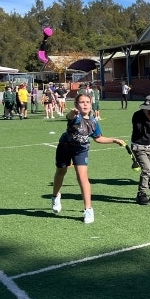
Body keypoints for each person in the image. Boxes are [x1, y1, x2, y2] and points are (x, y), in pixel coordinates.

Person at [50, 92, 125, 224]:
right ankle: (55, 196)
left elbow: (98, 138)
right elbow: (69, 116)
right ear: (76, 105)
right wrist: (73, 113)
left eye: (87, 102)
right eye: (81, 102)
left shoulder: (94, 122)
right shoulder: (75, 117)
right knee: (61, 172)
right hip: (65, 147)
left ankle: (88, 209)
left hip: (81, 150)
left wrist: (114, 140)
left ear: (91, 105)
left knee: (83, 178)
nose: (85, 104)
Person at [131, 96, 150, 205]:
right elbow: (140, 131)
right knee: (146, 170)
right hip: (139, 146)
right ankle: (141, 193)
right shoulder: (137, 115)